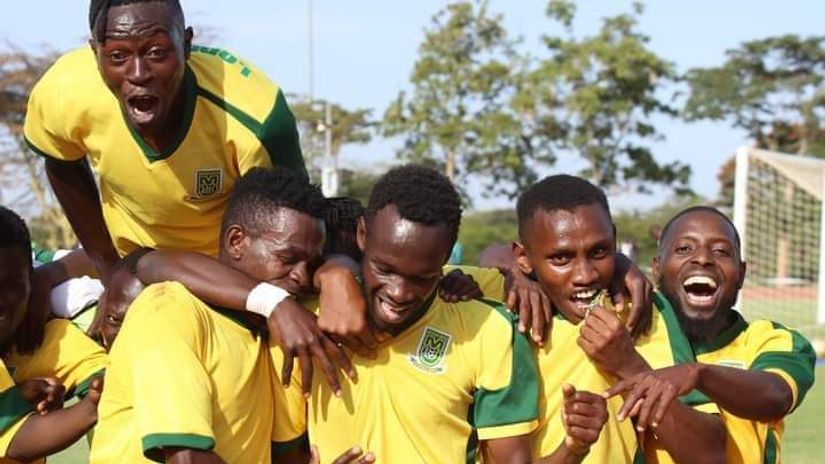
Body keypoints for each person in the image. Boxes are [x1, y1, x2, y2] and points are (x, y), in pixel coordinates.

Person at [272, 166, 609, 464]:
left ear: (446, 258)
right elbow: (282, 453)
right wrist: (330, 273)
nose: (399, 293)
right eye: (385, 269)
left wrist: (573, 449)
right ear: (362, 234)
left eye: (421, 277)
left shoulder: (489, 331)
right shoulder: (302, 326)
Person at [88, 167, 366, 463]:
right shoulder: (169, 310)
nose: (301, 276)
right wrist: (274, 301)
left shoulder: (275, 334)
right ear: (236, 241)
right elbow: (186, 458)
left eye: (312, 266)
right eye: (287, 258)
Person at [24, 0, 305, 281]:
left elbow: (298, 226)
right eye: (118, 56)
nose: (138, 74)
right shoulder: (65, 91)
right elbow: (61, 163)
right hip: (131, 261)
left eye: (157, 53)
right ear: (96, 54)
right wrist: (109, 269)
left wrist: (258, 296)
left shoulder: (256, 116)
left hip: (228, 273)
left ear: (186, 44)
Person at [458, 175, 727, 462]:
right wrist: (511, 273)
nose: (585, 275)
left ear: (614, 241)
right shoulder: (496, 303)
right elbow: (436, 266)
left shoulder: (642, 309)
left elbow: (709, 455)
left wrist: (628, 365)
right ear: (523, 257)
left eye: (599, 252)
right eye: (561, 258)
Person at [606, 206, 816, 464]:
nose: (703, 259)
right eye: (684, 249)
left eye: (720, 251)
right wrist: (616, 263)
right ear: (657, 269)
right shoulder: (628, 332)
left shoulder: (770, 339)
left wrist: (698, 374)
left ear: (741, 274)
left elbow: (776, 396)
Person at [0, 207, 107, 463]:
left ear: (31, 279)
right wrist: (91, 407)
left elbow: (108, 254)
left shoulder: (54, 338)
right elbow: (20, 439)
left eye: (13, 285)